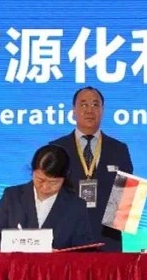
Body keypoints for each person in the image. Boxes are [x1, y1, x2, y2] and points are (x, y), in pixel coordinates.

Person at [50, 86, 134, 252]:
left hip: (107, 240)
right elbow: (47, 195)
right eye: (83, 104)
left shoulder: (119, 149)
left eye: (95, 105)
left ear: (102, 110)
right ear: (73, 110)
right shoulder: (56, 148)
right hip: (65, 239)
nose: (90, 110)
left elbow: (126, 198)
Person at [0, 144, 96, 252]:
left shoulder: (75, 205)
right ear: (32, 172)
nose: (45, 187)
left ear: (64, 178)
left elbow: (84, 251)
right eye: (40, 180)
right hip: (16, 264)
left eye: (53, 182)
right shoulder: (12, 197)